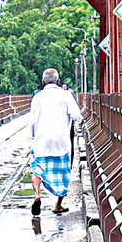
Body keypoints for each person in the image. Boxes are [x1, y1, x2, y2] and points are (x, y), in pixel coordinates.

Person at [26, 68, 82, 215]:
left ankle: (37, 194)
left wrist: (33, 137)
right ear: (58, 81)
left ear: (43, 82)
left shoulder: (37, 97)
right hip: (61, 142)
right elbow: (77, 115)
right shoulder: (66, 95)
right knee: (63, 172)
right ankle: (58, 205)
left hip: (41, 140)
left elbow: (31, 121)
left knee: (37, 170)